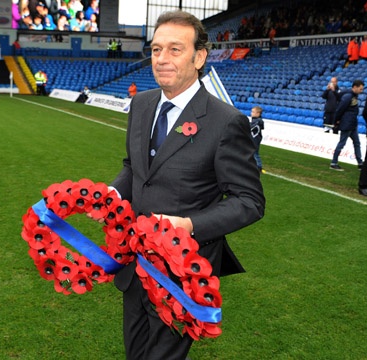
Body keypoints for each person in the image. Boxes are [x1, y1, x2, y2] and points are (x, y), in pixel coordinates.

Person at [109, 10, 265, 359]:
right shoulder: (141, 103)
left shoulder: (226, 122)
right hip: (135, 264)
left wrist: (191, 225)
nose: (162, 59)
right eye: (156, 49)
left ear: (199, 57)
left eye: (175, 50)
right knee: (135, 352)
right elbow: (134, 168)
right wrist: (113, 194)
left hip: (181, 272)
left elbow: (249, 200)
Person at [329, 79, 365, 171]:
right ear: (355, 87)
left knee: (357, 143)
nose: (362, 91)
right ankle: (334, 162)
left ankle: (360, 163)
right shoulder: (348, 96)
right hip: (347, 123)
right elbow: (340, 109)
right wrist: (336, 121)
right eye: (360, 89)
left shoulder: (353, 96)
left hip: (352, 123)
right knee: (342, 143)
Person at [250, 105, 265, 172]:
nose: (251, 113)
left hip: (255, 139)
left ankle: (259, 166)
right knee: (251, 152)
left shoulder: (258, 121)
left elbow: (251, 127)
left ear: (258, 113)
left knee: (255, 152)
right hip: (253, 138)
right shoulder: (255, 121)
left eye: (253, 112)